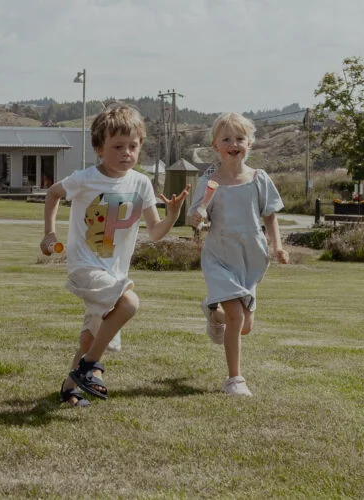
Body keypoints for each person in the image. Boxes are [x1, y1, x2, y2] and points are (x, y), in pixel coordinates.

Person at [41, 103, 188, 407]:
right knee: (130, 302)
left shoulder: (141, 183)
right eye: (117, 146)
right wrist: (50, 233)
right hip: (84, 266)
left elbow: (155, 232)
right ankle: (88, 367)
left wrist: (172, 215)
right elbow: (54, 193)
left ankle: (70, 388)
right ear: (99, 148)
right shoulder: (84, 179)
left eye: (133, 146)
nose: (126, 153)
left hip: (114, 272)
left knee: (90, 335)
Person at [189, 112, 287, 397]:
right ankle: (235, 379)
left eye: (240, 139)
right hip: (219, 254)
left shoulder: (259, 179)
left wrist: (278, 246)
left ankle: (212, 313)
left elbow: (270, 216)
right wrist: (197, 216)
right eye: (227, 139)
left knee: (244, 326)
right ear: (215, 145)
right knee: (236, 317)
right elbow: (199, 214)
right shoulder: (210, 182)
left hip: (250, 256)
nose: (234, 144)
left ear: (250, 144)